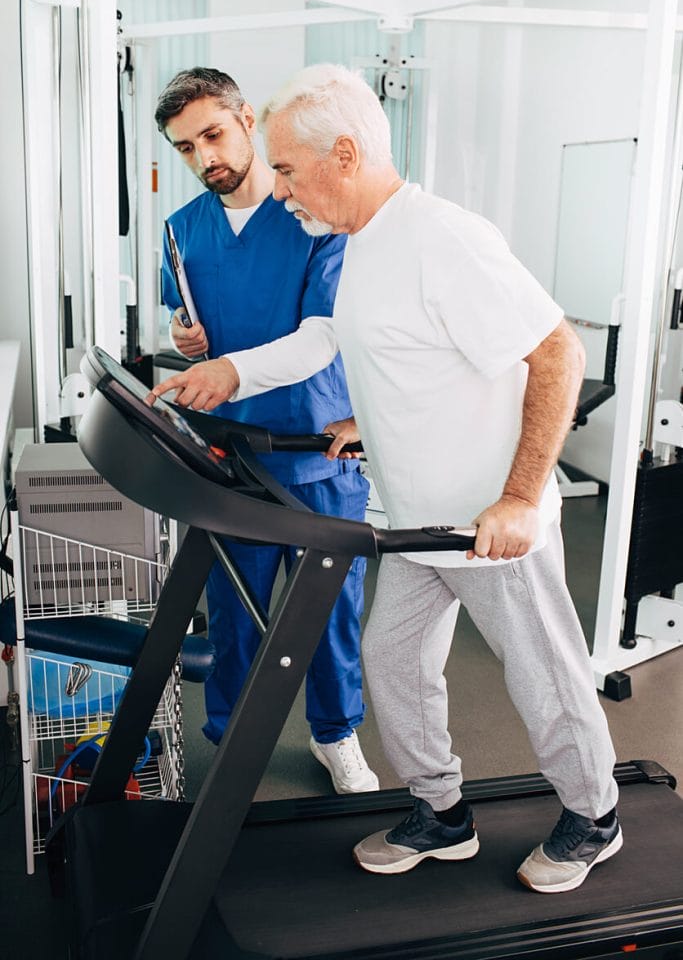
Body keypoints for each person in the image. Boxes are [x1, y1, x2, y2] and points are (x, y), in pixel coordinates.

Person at [151, 64, 621, 894]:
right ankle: (440, 813)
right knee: (393, 662)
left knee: (542, 675)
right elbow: (338, 340)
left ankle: (595, 816)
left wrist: (517, 499)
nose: (282, 188)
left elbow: (556, 354)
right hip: (411, 517)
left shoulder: (444, 236)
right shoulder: (356, 242)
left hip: (485, 523)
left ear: (343, 154)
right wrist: (233, 372)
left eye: (289, 170)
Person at [153, 67, 378, 795]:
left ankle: (336, 734)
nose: (204, 156)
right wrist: (186, 340)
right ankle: (234, 739)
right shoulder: (181, 230)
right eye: (185, 147)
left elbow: (322, 335)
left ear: (248, 120)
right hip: (230, 453)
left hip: (317, 448)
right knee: (233, 612)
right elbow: (182, 316)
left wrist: (227, 368)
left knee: (330, 610)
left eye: (212, 134)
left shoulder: (313, 213)